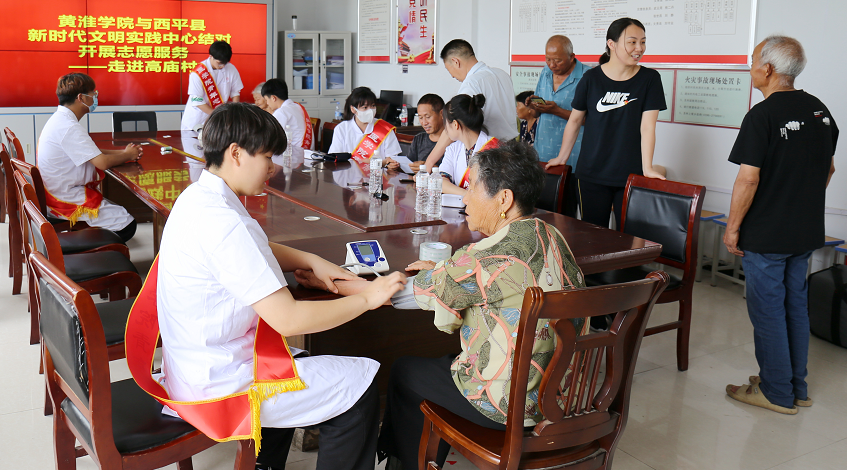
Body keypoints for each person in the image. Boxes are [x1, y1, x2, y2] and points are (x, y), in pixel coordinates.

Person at [296, 141, 586, 470]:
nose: (465, 197)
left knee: (404, 371)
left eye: (472, 186)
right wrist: (446, 271)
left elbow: (395, 294)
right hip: (558, 398)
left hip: (507, 405)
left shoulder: (486, 259)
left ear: (504, 199)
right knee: (442, 364)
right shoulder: (552, 237)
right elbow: (499, 280)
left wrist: (330, 282)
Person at [151, 103, 407, 470]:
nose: (272, 167)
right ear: (236, 153)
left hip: (193, 363)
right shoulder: (223, 221)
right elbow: (288, 319)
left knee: (296, 363)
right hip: (220, 380)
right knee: (360, 386)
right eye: (267, 156)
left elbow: (254, 249)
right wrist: (369, 297)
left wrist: (310, 259)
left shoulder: (198, 197)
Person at [724, 36, 838, 415]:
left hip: (767, 233)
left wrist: (733, 227)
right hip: (805, 231)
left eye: (753, 60)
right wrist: (799, 203)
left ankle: (775, 391)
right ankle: (795, 387)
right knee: (794, 306)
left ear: (768, 69)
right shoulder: (820, 111)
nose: (751, 67)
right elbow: (829, 169)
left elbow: (748, 179)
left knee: (768, 310)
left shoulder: (762, 115)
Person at [547, 17, 666, 229]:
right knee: (592, 235)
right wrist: (562, 157)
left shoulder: (650, 79)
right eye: (632, 42)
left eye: (643, 42)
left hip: (630, 175)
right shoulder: (591, 78)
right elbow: (575, 120)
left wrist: (647, 168)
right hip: (591, 174)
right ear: (611, 44)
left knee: (629, 238)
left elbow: (648, 127)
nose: (639, 48)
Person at [37, 73, 141, 242]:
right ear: (81, 98)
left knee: (118, 212)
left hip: (57, 190)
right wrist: (128, 155)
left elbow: (92, 152)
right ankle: (84, 249)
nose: (95, 97)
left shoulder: (60, 120)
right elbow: (102, 162)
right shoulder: (68, 126)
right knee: (126, 224)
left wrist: (124, 153)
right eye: (93, 93)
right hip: (63, 197)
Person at [423, 39, 518, 171]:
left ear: (456, 62)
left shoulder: (472, 83)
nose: (452, 76)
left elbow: (453, 125)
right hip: (512, 150)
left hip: (489, 153)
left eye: (448, 69)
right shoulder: (503, 74)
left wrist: (428, 163)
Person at [528, 35, 588, 164]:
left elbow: (592, 120)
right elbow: (535, 115)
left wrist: (557, 110)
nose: (552, 65)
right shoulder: (546, 72)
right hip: (543, 153)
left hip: (575, 156)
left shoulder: (587, 76)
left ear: (571, 57)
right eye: (548, 59)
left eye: (557, 60)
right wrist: (534, 107)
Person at [435, 94, 499, 197]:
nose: (445, 129)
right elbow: (441, 182)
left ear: (455, 124)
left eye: (445, 124)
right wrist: (466, 194)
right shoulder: (453, 149)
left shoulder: (493, 147)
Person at [329, 86, 401, 170]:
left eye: (373, 106)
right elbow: (335, 158)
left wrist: (382, 163)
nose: (370, 110)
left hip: (378, 175)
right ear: (353, 109)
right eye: (365, 107)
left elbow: (392, 160)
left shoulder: (384, 128)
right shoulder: (342, 129)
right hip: (349, 175)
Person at [181, 40, 244, 131]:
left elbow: (235, 93)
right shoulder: (198, 73)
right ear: (211, 56)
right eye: (219, 63)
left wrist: (234, 113)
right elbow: (197, 101)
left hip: (217, 120)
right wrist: (218, 115)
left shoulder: (231, 69)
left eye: (224, 63)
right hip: (197, 120)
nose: (222, 66)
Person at [262, 78, 314, 149]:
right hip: (308, 151)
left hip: (295, 153)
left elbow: (268, 137)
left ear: (273, 98)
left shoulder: (281, 112)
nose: (267, 103)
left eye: (266, 100)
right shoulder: (297, 106)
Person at [408, 93, 445, 172]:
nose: (424, 123)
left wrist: (431, 168)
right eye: (420, 118)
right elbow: (409, 165)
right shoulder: (419, 139)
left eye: (428, 117)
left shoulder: (453, 141)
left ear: (442, 114)